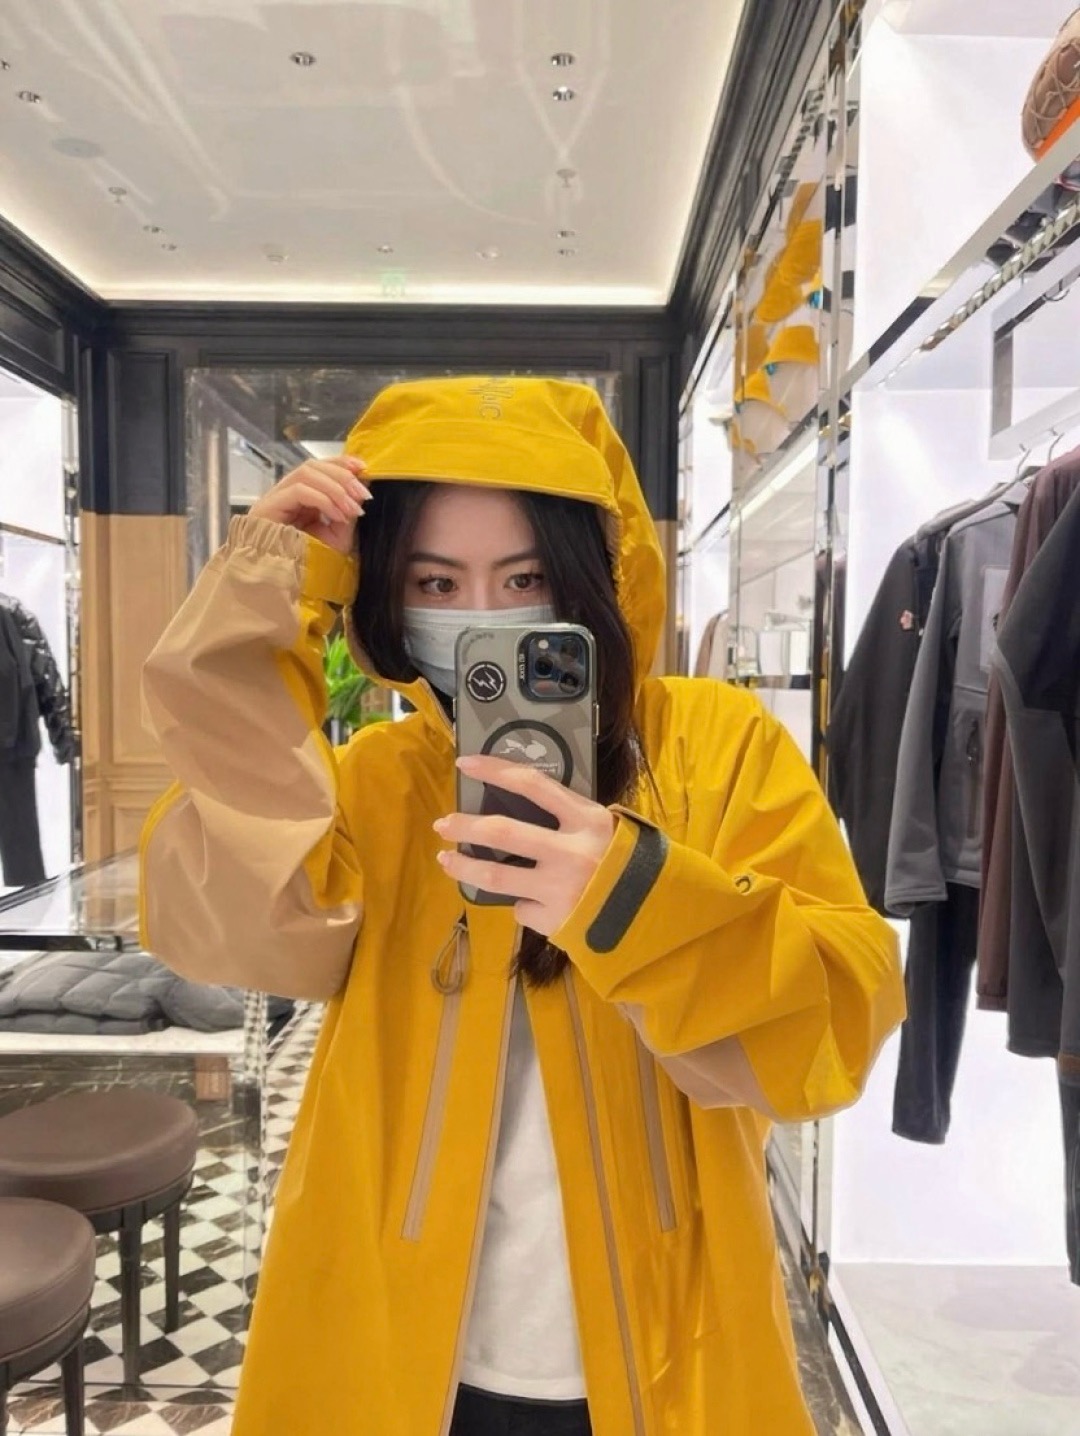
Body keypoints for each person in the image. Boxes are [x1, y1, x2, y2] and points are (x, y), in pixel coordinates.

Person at [139, 376, 904, 1436]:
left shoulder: (717, 748)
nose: (483, 614)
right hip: (399, 1344)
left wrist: (633, 898)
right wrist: (262, 599)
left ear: (593, 574)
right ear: (385, 594)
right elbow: (236, 928)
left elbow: (836, 1023)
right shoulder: (377, 781)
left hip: (668, 1340)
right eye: (435, 579)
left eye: (526, 575)